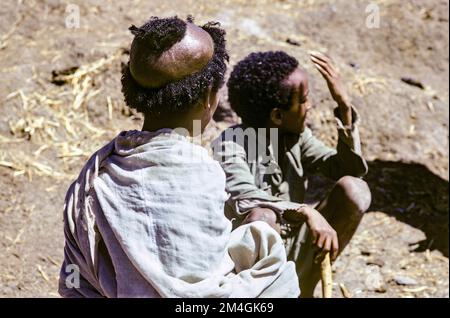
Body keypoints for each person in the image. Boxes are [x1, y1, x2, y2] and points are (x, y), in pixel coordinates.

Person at [59, 17, 299, 298]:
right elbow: (197, 290)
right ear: (210, 98)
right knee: (276, 271)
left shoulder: (97, 170)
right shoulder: (200, 173)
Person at [212, 50, 372, 297]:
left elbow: (348, 170)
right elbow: (245, 198)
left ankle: (303, 289)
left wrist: (344, 107)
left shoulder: (295, 138)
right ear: (277, 115)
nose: (310, 107)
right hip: (245, 270)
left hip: (294, 248)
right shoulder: (230, 143)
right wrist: (305, 210)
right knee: (262, 219)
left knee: (355, 189)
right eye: (304, 100)